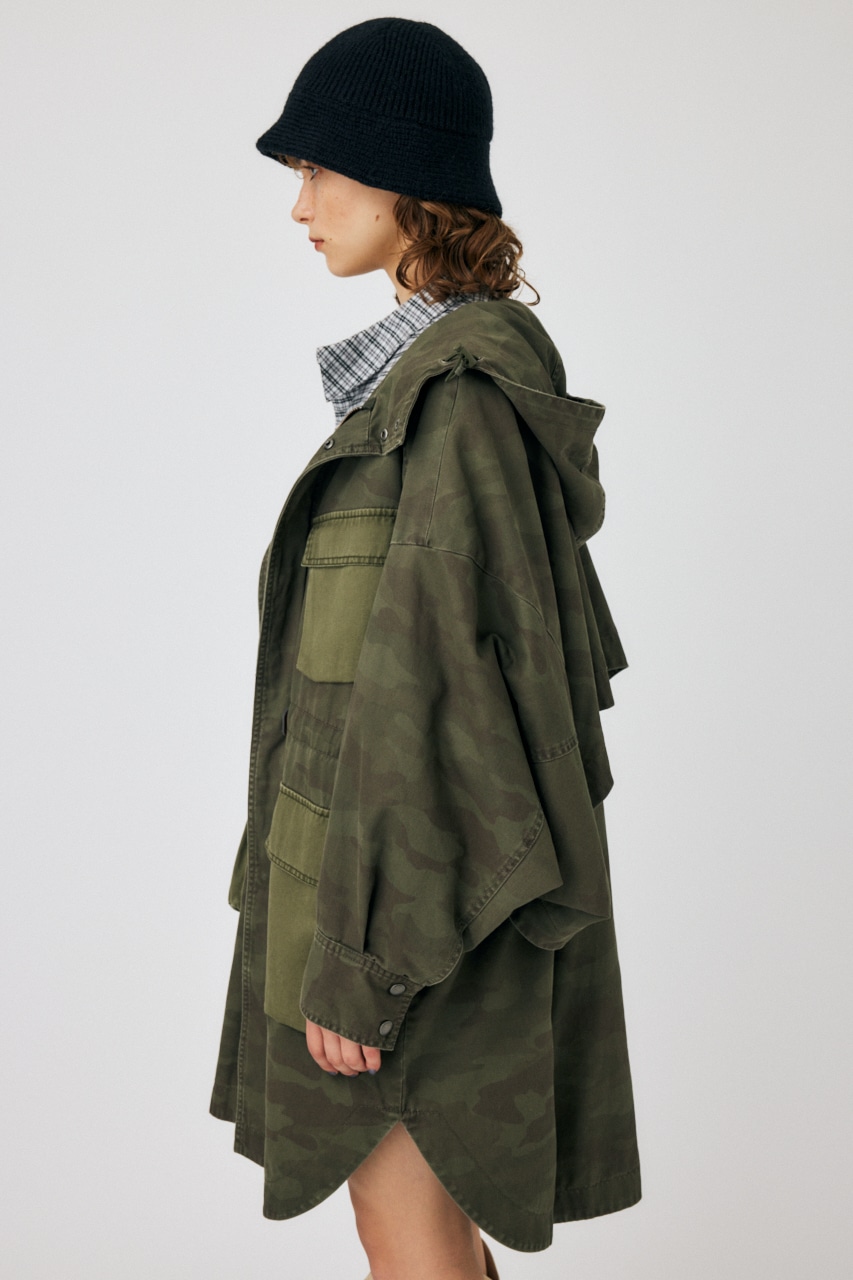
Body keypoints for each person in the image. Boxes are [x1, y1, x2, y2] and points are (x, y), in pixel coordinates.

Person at [210, 18, 641, 1280]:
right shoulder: (414, 389)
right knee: (410, 1226)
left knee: (409, 1235)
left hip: (411, 924)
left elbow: (443, 710)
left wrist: (364, 964)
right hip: (381, 894)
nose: (300, 207)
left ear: (403, 177)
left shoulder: (456, 401)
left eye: (318, 170)